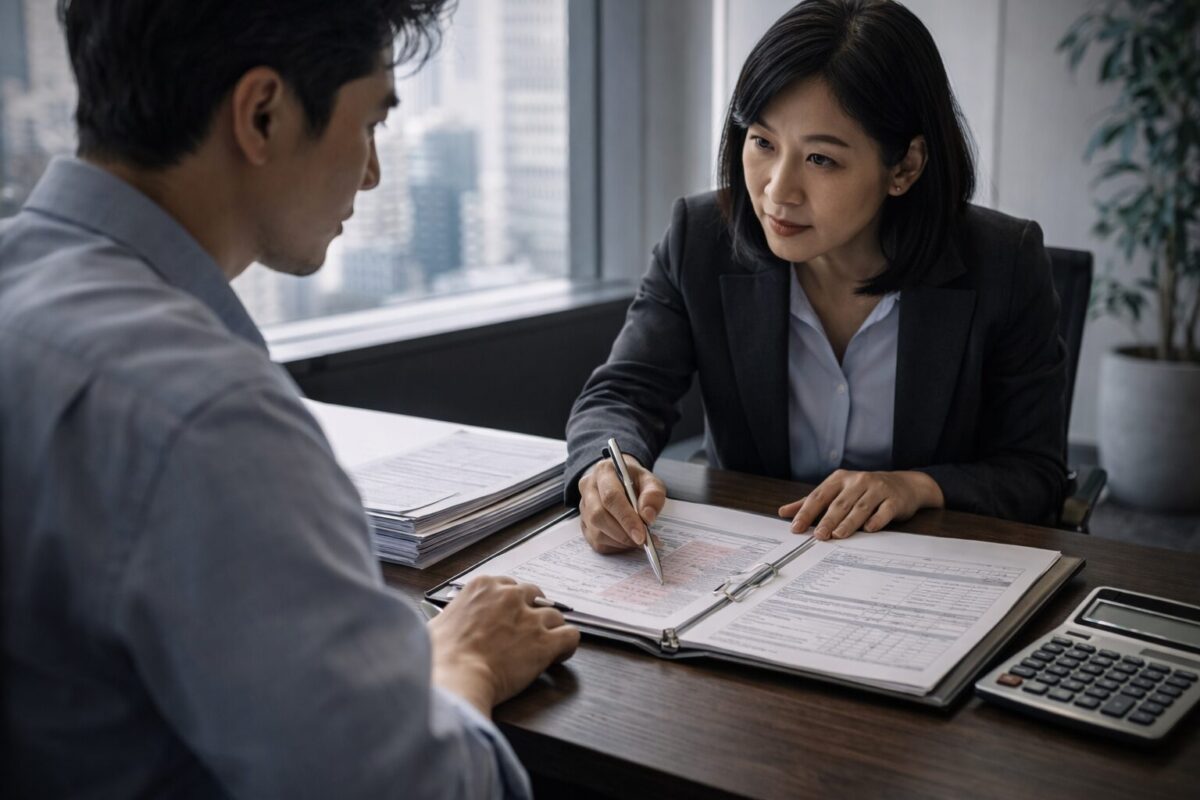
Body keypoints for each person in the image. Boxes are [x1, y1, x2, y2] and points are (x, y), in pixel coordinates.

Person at [0, 1, 578, 797]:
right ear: (263, 113)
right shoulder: (206, 416)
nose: (373, 172)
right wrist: (463, 661)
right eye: (371, 121)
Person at [566, 0, 1068, 555]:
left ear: (904, 167)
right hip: (753, 569)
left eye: (821, 160)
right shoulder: (701, 238)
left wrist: (917, 486)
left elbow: (1035, 474)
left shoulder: (1004, 261)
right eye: (762, 142)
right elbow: (623, 394)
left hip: (923, 571)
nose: (778, 191)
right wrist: (607, 468)